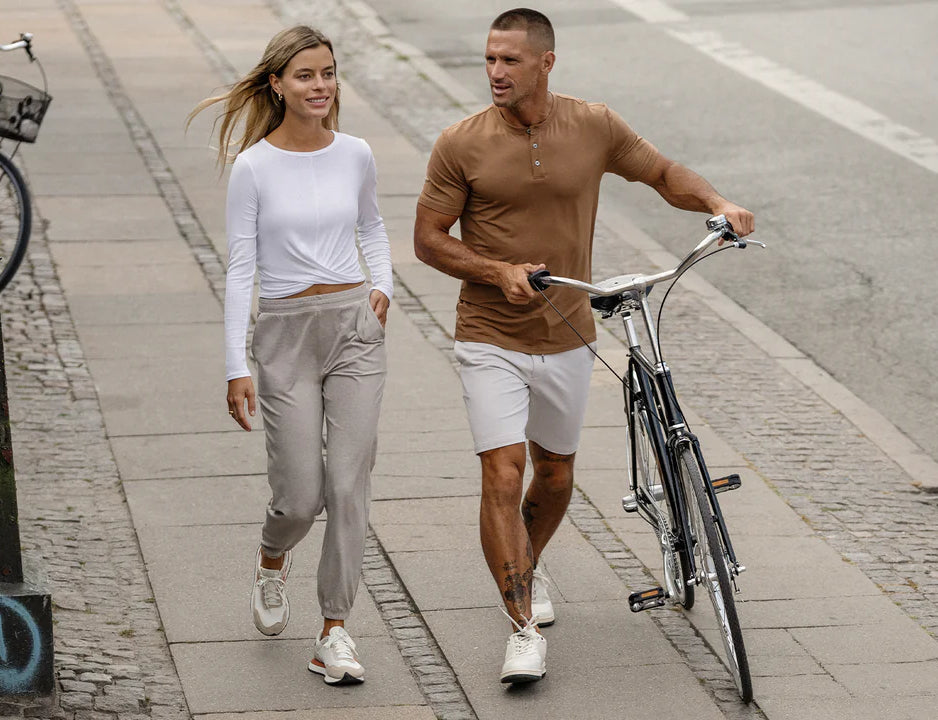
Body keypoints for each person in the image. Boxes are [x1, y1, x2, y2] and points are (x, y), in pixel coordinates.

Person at [413, 8, 754, 684]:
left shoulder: (593, 124)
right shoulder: (461, 143)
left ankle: (526, 564)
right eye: (489, 59)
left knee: (556, 476)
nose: (495, 72)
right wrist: (497, 271)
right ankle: (522, 629)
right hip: (489, 333)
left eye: (510, 60)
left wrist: (719, 203)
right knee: (502, 474)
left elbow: (662, 173)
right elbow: (427, 239)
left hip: (568, 332)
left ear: (546, 62)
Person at [189, 25, 393, 686]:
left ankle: (333, 629)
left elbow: (372, 224)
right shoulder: (254, 166)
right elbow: (240, 270)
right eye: (306, 75)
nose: (321, 86)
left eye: (328, 73)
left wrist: (384, 286)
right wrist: (235, 366)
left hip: (354, 327)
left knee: (349, 484)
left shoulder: (356, 153)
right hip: (284, 335)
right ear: (276, 83)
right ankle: (273, 555)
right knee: (301, 497)